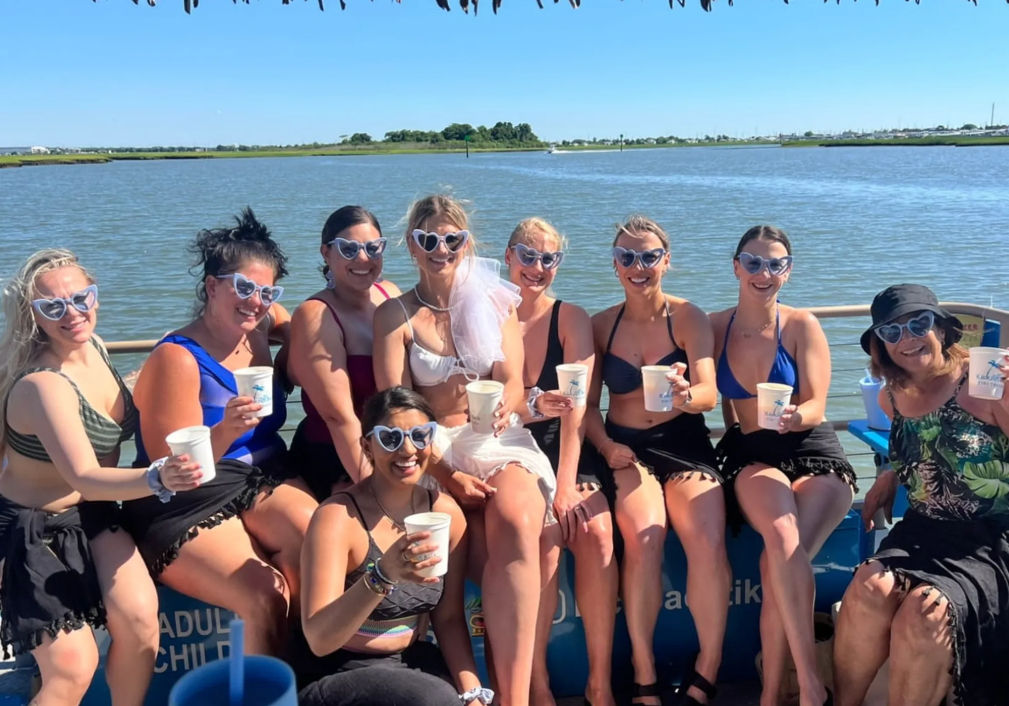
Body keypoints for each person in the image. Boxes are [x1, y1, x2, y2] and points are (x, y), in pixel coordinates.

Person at [373, 194, 556, 706]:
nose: (441, 249)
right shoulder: (395, 315)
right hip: (427, 450)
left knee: (520, 519)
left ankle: (515, 697)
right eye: (429, 239)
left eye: (451, 239)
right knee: (463, 541)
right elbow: (396, 414)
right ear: (413, 245)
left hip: (496, 439)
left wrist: (506, 408)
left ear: (465, 243)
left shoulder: (497, 302)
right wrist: (448, 474)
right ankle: (474, 687)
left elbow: (514, 381)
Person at [0, 249, 199, 706]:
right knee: (73, 667)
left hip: (90, 512)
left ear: (96, 295)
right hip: (33, 530)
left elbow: (107, 413)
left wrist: (168, 355)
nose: (72, 313)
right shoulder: (41, 386)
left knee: (142, 623)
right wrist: (160, 477)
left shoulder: (96, 348)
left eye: (80, 297)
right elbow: (87, 476)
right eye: (53, 307)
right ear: (34, 316)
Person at [124, 208, 318, 655]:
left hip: (261, 475)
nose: (256, 300)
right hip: (187, 496)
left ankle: (307, 677)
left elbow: (304, 326)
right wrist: (226, 428)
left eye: (266, 291)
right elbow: (170, 472)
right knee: (263, 595)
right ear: (212, 286)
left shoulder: (261, 324)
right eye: (244, 287)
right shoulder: (178, 358)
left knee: (320, 548)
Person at [833, 284, 1009, 706]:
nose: (908, 338)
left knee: (924, 612)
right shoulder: (890, 395)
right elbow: (918, 447)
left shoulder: (984, 385)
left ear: (943, 330)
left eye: (918, 323)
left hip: (991, 536)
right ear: (881, 347)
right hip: (925, 530)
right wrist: (889, 475)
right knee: (866, 588)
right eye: (892, 333)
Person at [585, 215, 729, 706]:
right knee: (646, 536)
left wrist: (688, 395)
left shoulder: (688, 317)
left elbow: (709, 393)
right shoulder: (601, 326)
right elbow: (584, 408)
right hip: (626, 447)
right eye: (627, 257)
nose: (638, 266)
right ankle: (643, 669)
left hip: (684, 441)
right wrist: (605, 448)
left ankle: (707, 666)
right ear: (615, 264)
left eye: (648, 256)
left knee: (707, 536)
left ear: (666, 261)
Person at [710, 225, 856, 706]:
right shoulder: (715, 327)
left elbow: (817, 404)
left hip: (812, 448)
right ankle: (810, 688)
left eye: (774, 264)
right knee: (783, 543)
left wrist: (797, 415)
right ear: (735, 266)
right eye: (753, 262)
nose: (763, 273)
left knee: (780, 565)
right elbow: (696, 387)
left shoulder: (801, 325)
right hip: (754, 453)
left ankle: (773, 694)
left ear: (787, 272)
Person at [299, 385, 491, 706]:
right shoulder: (338, 518)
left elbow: (449, 620)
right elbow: (319, 639)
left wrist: (474, 692)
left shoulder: (445, 515)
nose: (407, 450)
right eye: (390, 438)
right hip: (338, 668)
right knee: (435, 700)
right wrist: (383, 575)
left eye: (420, 435)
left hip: (409, 659)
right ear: (367, 446)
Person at [505, 217, 618, 706]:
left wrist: (567, 484)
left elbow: (578, 411)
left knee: (595, 531)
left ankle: (599, 682)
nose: (537, 267)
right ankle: (538, 684)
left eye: (548, 258)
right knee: (545, 540)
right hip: (508, 447)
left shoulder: (570, 317)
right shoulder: (487, 313)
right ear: (508, 256)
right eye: (527, 256)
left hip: (563, 447)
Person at [287, 205, 401, 500]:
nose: (364, 258)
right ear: (326, 253)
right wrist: (383, 495)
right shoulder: (316, 316)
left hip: (397, 447)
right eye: (349, 249)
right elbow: (340, 420)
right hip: (339, 459)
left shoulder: (391, 294)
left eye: (373, 247)